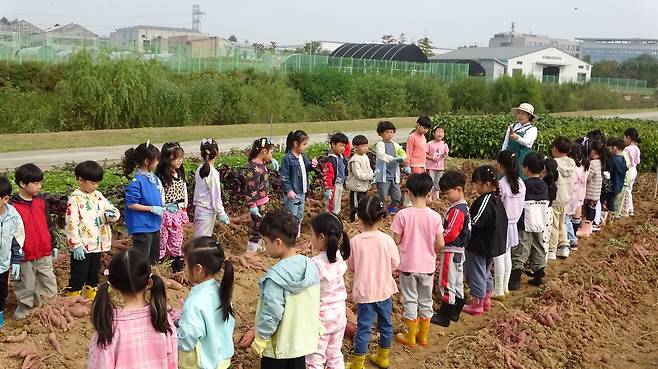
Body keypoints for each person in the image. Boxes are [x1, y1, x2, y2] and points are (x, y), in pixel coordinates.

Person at [250, 209, 323, 369]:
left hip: (278, 349)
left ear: (277, 242)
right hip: (300, 343)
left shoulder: (275, 277)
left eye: (265, 242)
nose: (264, 246)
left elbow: (272, 313)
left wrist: (262, 338)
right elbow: (313, 301)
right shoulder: (310, 267)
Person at [88, 249, 177, 369]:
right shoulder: (161, 317)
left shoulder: (111, 326)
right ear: (149, 282)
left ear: (113, 286)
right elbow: (172, 362)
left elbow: (100, 364)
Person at [391, 173, 444, 348]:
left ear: (408, 192)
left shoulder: (403, 215)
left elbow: (396, 240)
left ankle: (410, 337)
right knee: (426, 300)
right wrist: (432, 252)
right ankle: (423, 337)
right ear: (429, 192)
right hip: (427, 266)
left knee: (410, 299)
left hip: (408, 265)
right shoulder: (435, 216)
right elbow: (441, 243)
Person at [346, 196, 400, 369]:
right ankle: (383, 357)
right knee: (385, 325)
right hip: (384, 290)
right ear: (382, 217)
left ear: (359, 217)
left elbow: (351, 266)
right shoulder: (387, 240)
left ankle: (357, 363)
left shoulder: (355, 242)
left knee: (364, 328)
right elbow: (395, 263)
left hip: (365, 292)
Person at [177, 237, 235, 369]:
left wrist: (175, 334)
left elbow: (187, 340)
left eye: (185, 264)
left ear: (198, 269)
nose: (184, 268)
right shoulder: (222, 291)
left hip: (202, 364)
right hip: (222, 362)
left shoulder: (195, 303)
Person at [65, 161, 121, 300]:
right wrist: (75, 244)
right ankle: (74, 297)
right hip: (82, 245)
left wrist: (113, 214)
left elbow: (110, 207)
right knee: (79, 273)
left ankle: (91, 294)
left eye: (97, 183)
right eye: (92, 183)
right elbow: (72, 223)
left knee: (93, 272)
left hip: (96, 244)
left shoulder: (98, 196)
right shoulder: (75, 199)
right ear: (80, 180)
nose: (95, 186)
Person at [10, 163, 58, 319]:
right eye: (36, 183)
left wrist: (53, 244)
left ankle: (49, 307)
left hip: (44, 250)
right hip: (25, 254)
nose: (39, 186)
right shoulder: (13, 206)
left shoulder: (41, 202)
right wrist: (14, 254)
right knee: (26, 284)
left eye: (40, 182)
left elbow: (48, 224)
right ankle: (24, 308)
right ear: (23, 184)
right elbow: (11, 233)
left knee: (48, 280)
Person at [306, 213, 351, 369]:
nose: (310, 238)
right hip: (339, 315)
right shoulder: (339, 256)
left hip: (321, 319)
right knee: (335, 355)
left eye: (312, 234)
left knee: (315, 358)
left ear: (321, 237)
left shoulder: (314, 264)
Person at [462, 166, 507, 316]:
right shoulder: (497, 199)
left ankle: (477, 302)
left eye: (477, 184)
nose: (475, 187)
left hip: (479, 244)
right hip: (492, 244)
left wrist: (464, 226)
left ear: (487, 184)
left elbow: (475, 221)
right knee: (485, 271)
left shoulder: (485, 201)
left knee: (476, 272)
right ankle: (486, 298)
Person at [431, 171, 471, 327]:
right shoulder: (464, 207)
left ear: (458, 189)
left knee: (446, 282)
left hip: (451, 250)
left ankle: (445, 315)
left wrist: (437, 240)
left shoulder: (457, 210)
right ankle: (455, 311)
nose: (446, 196)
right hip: (460, 252)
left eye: (448, 193)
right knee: (457, 282)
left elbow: (451, 232)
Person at [510, 153, 550, 289]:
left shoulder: (524, 185)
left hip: (524, 221)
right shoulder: (544, 185)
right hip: (540, 220)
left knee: (521, 248)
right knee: (538, 246)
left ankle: (514, 280)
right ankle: (539, 276)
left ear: (525, 168)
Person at [123, 142, 165, 265]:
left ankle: (151, 278)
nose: (158, 163)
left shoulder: (154, 179)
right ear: (147, 161)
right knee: (142, 259)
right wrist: (151, 208)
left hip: (154, 224)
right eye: (156, 160)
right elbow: (131, 204)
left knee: (153, 258)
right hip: (142, 226)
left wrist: (164, 206)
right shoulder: (137, 181)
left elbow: (159, 198)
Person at [492, 151, 525, 298]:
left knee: (499, 256)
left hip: (502, 225)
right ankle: (504, 287)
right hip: (513, 224)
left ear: (500, 165)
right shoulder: (520, 183)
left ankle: (498, 290)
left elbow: (497, 205)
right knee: (507, 256)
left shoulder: (501, 185)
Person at [155, 143, 188, 272]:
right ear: (167, 158)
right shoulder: (162, 178)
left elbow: (184, 191)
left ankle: (176, 263)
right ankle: (160, 263)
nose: (180, 161)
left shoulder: (180, 174)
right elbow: (161, 195)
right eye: (176, 158)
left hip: (178, 212)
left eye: (181, 157)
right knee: (163, 239)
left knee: (177, 238)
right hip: (165, 213)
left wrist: (184, 207)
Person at [245, 138, 278, 252]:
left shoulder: (260, 163)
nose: (271, 155)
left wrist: (271, 159)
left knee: (262, 225)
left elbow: (265, 159)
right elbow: (251, 188)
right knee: (257, 227)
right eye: (271, 152)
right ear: (264, 152)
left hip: (262, 201)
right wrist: (252, 205)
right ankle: (252, 249)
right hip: (257, 203)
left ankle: (258, 245)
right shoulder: (253, 168)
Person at [0, 176, 24, 328]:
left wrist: (16, 260)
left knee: (1, 293)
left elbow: (17, 239)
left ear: (5, 199)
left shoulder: (13, 216)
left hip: (2, 264)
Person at [281, 130, 317, 232]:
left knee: (299, 214)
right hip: (293, 192)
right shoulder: (288, 158)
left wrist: (312, 165)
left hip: (302, 191)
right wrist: (288, 190)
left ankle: (296, 234)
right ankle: (289, 236)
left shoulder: (302, 156)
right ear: (296, 144)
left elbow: (307, 167)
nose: (305, 146)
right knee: (291, 215)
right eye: (304, 144)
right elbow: (284, 177)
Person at [193, 139, 230, 238]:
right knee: (202, 240)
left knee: (199, 237)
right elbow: (215, 195)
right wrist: (221, 212)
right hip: (207, 211)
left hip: (199, 209)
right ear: (217, 152)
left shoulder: (199, 169)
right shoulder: (212, 173)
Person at [375, 121, 409, 215]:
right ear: (380, 134)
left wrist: (404, 158)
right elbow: (381, 155)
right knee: (382, 196)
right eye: (387, 132)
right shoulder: (380, 145)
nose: (389, 134)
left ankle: (391, 211)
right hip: (384, 176)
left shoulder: (395, 144)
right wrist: (395, 159)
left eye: (391, 132)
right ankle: (382, 213)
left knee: (397, 196)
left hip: (394, 175)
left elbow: (401, 152)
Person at [550, 137, 576, 260]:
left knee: (554, 225)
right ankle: (564, 246)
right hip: (566, 197)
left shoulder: (553, 163)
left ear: (555, 148)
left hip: (556, 198)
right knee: (563, 222)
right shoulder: (572, 163)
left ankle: (552, 249)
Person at [502, 103, 538, 178]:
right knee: (506, 176)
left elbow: (526, 142)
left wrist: (516, 138)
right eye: (518, 113)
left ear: (529, 116)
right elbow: (506, 142)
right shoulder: (512, 126)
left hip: (523, 157)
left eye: (523, 114)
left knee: (521, 177)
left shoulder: (532, 129)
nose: (520, 116)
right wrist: (503, 154)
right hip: (510, 154)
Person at [345, 135, 376, 223]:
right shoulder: (355, 160)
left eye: (366, 145)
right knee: (356, 205)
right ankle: (354, 220)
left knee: (362, 203)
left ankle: (361, 219)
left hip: (364, 186)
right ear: (355, 147)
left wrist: (372, 174)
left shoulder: (365, 157)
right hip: (356, 187)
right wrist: (370, 176)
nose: (365, 148)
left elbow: (369, 168)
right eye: (362, 146)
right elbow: (358, 174)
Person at [577, 140, 603, 238]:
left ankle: (585, 230)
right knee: (591, 210)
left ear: (593, 151)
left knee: (588, 211)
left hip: (590, 192)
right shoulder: (599, 162)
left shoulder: (592, 163)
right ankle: (588, 229)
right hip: (595, 192)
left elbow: (588, 177)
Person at [566, 143, 588, 251]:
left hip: (571, 195)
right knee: (570, 217)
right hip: (578, 194)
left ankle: (572, 239)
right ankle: (571, 237)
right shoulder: (583, 165)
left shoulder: (574, 168)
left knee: (566, 218)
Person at [323, 133, 349, 215]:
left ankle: (336, 218)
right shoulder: (331, 159)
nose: (343, 148)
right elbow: (328, 175)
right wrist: (328, 188)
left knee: (337, 205)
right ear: (333, 145)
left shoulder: (341, 157)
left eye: (344, 146)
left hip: (340, 184)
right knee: (331, 206)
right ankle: (330, 221)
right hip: (333, 186)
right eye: (341, 145)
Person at [603, 138, 628, 224]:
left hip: (611, 185)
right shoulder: (623, 159)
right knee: (611, 202)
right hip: (619, 185)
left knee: (608, 202)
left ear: (614, 148)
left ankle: (607, 220)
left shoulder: (613, 159)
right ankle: (611, 219)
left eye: (610, 148)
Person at [619, 128, 641, 217]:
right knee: (629, 190)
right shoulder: (636, 148)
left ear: (629, 137)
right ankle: (630, 209)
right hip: (634, 169)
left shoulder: (627, 149)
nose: (624, 140)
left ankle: (626, 210)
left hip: (628, 170)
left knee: (626, 190)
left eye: (624, 138)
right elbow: (638, 161)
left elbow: (625, 161)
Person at [425, 125, 449, 201]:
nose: (440, 134)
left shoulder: (444, 144)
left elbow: (446, 155)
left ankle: (436, 199)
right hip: (430, 167)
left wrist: (445, 154)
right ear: (433, 133)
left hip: (440, 167)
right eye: (438, 132)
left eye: (442, 132)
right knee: (430, 182)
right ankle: (429, 199)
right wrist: (431, 158)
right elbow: (424, 154)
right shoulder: (429, 144)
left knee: (437, 183)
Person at [543, 158, 558, 260]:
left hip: (541, 213)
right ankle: (544, 260)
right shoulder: (553, 185)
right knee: (545, 238)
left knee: (540, 239)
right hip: (549, 212)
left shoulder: (541, 185)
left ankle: (538, 265)